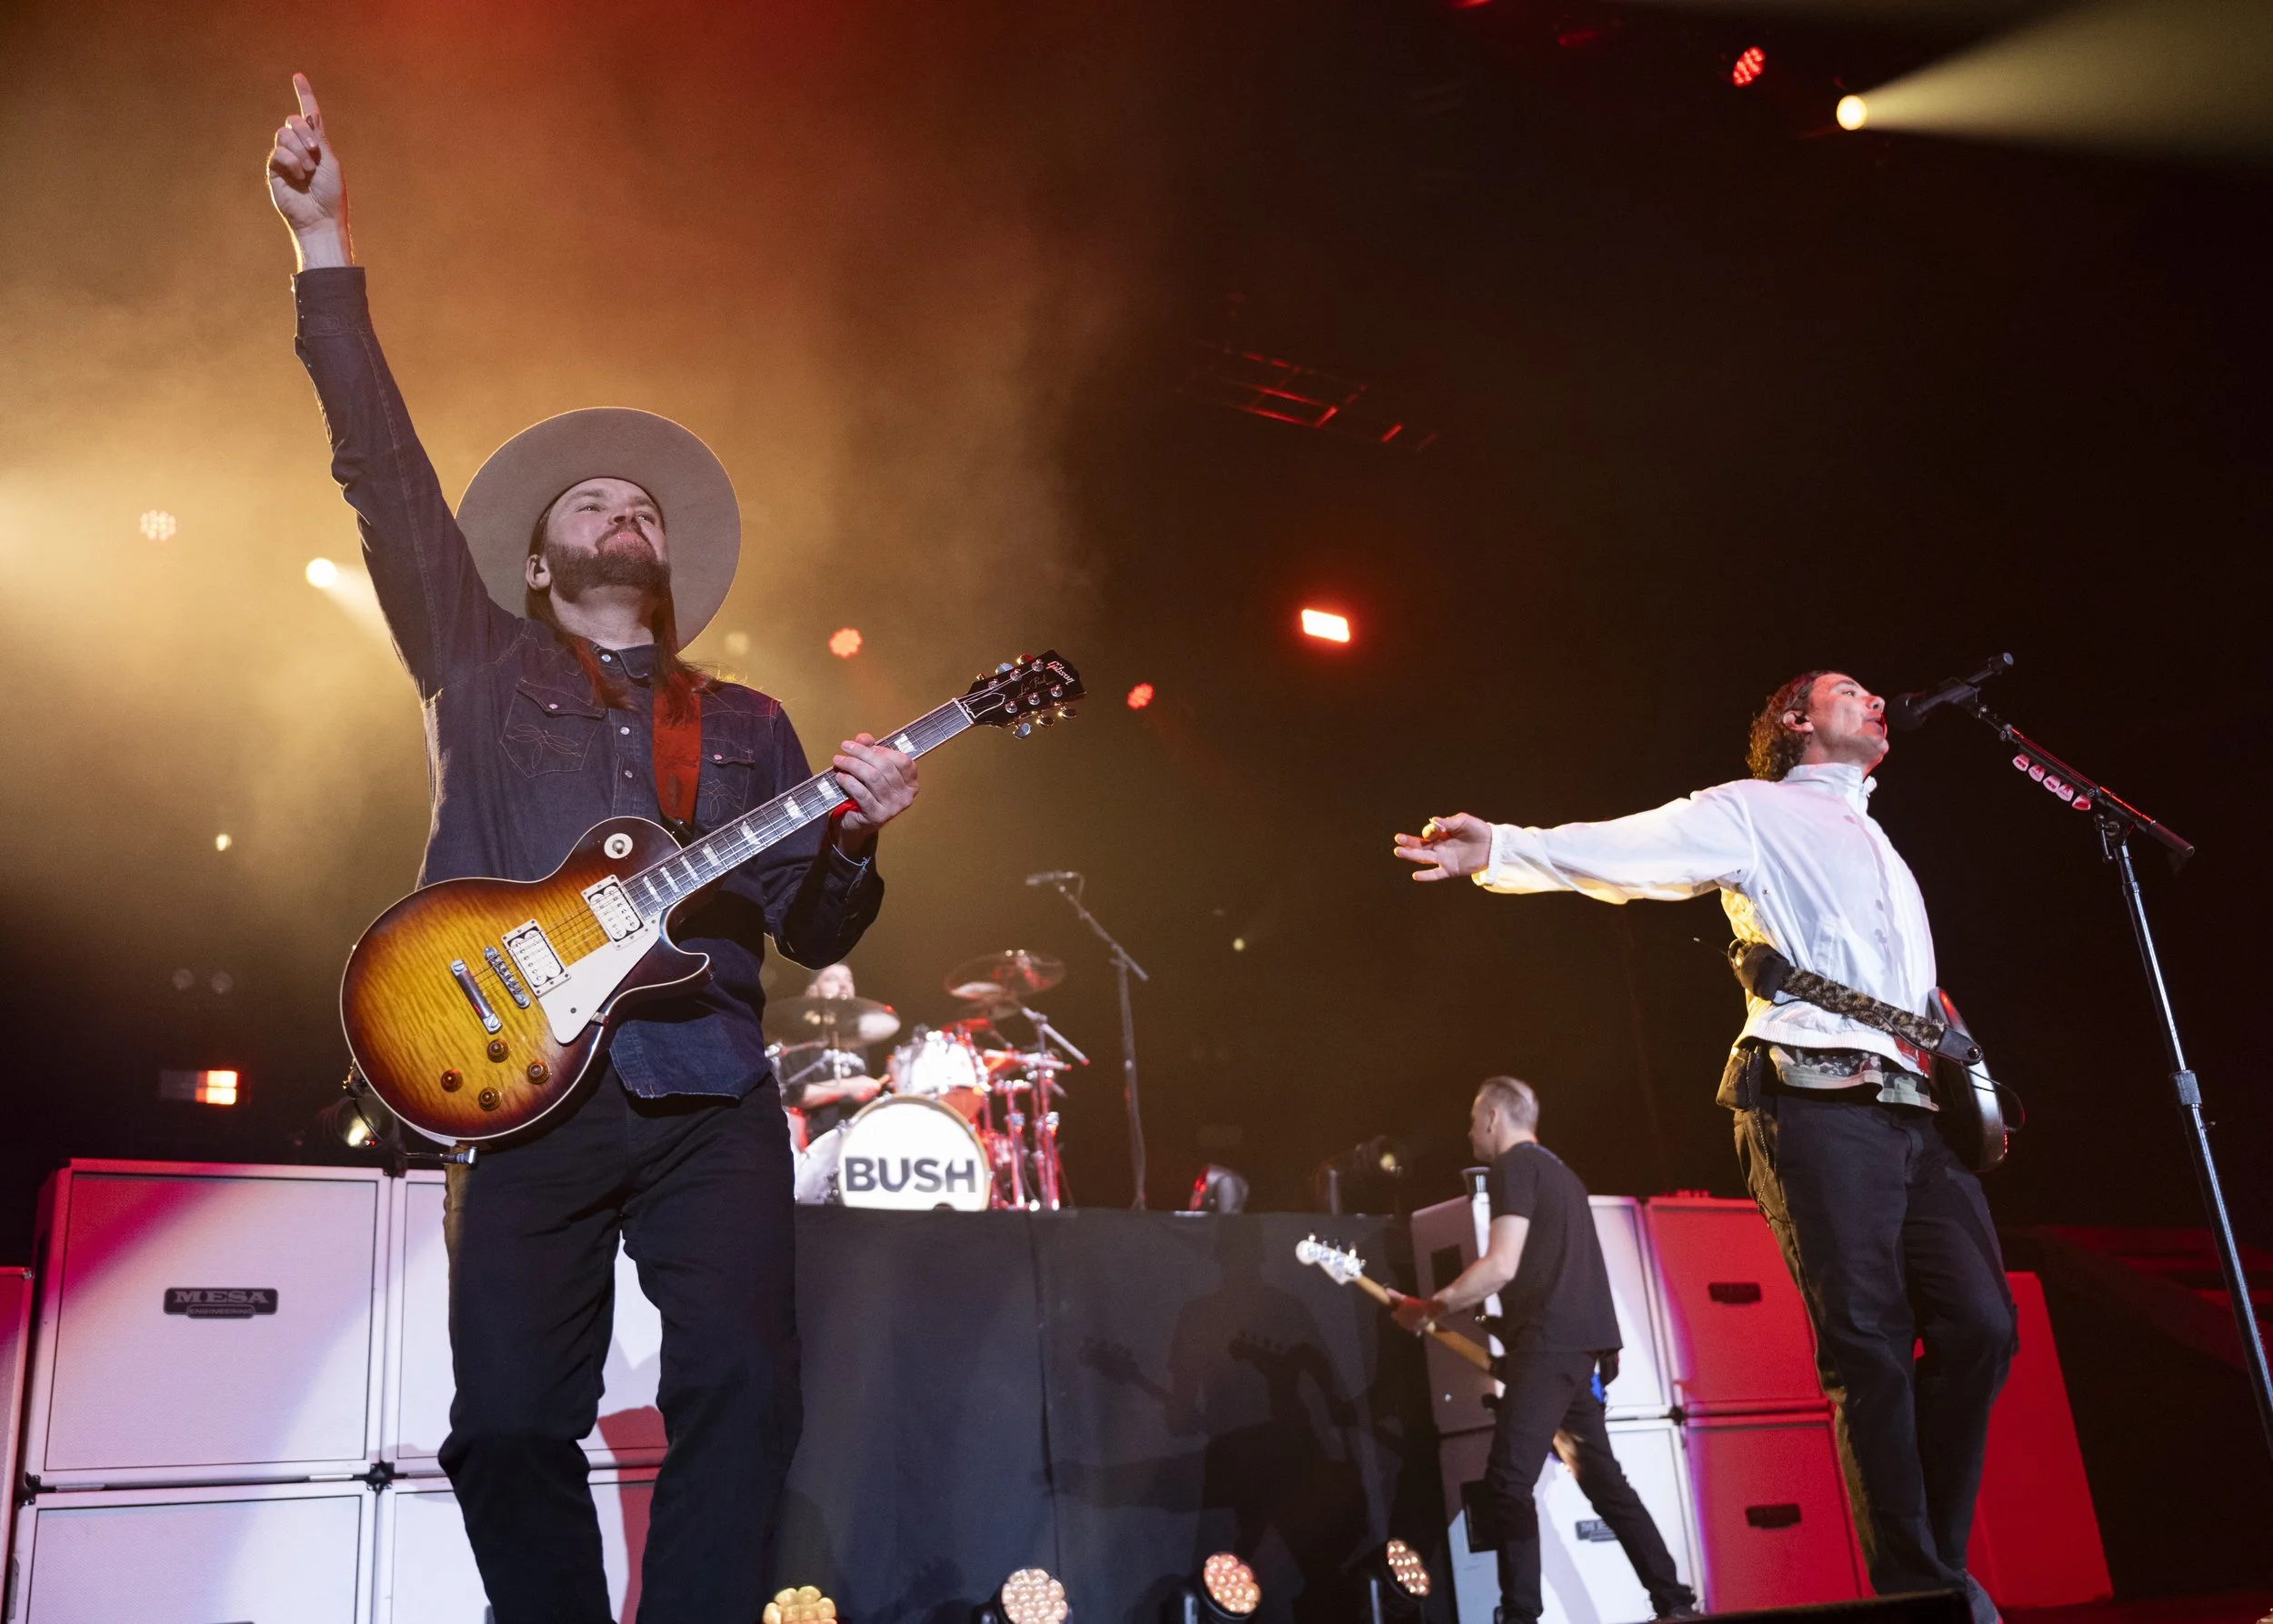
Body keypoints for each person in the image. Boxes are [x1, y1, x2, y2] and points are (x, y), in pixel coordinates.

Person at [267, 76, 920, 1624]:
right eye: (595, 500)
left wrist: (857, 834)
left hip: (706, 1091)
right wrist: (322, 247)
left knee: (747, 1385)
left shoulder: (746, 721)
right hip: (516, 1085)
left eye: (643, 506)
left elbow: (814, 929)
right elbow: (380, 471)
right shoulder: (476, 662)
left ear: (664, 558)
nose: (625, 509)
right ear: (538, 555)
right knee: (505, 1424)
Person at [1393, 671, 2018, 1623]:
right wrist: (1504, 849)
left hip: (1912, 1110)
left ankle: (1935, 1559)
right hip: (1813, 1099)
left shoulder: (1879, 840)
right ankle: (1925, 1588)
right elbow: (1629, 850)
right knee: (1869, 1346)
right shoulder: (1753, 810)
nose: (1877, 701)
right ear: (1797, 720)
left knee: (1982, 1325)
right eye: (1851, 691)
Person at [1391, 1078, 1697, 1624]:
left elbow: (1501, 1265)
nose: (1469, 1133)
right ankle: (1674, 1601)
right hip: (1578, 1350)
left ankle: (1520, 1615)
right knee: (1604, 1483)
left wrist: (1430, 1308)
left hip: (1550, 1347)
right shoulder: (1563, 1174)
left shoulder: (1513, 1168)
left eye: (1472, 1121)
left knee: (1508, 1482)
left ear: (1491, 1117)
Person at [781, 962, 884, 1142]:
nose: (844, 985)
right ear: (812, 992)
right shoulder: (797, 1041)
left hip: (862, 1138)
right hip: (819, 1143)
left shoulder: (859, 1041)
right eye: (832, 979)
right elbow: (793, 1095)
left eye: (848, 979)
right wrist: (848, 1087)